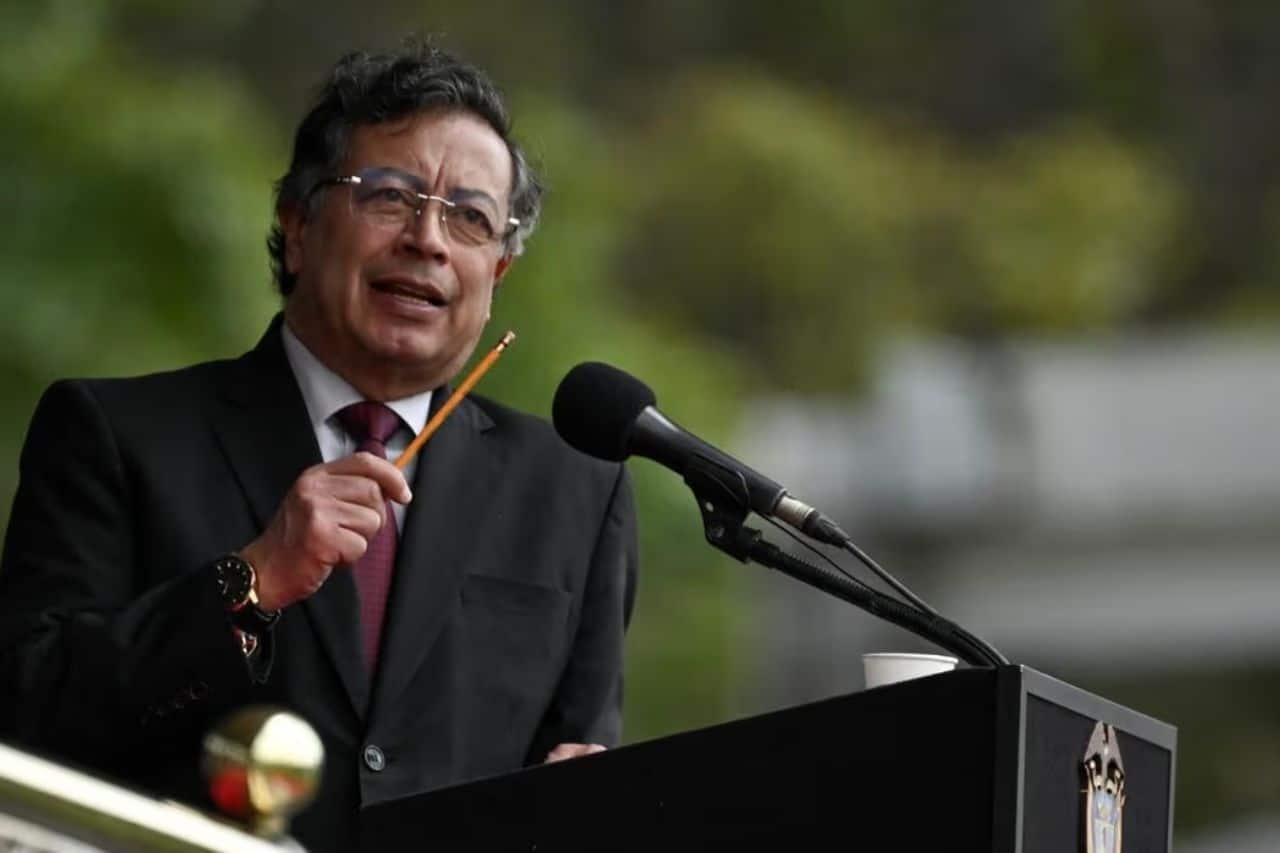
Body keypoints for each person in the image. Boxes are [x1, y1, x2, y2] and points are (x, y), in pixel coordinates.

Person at [0, 41, 637, 851]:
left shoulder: (577, 491)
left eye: (470, 219)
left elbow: (578, 760)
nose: (429, 240)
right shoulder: (114, 435)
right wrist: (251, 581)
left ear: (497, 273)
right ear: (298, 224)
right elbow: (27, 720)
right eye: (391, 197)